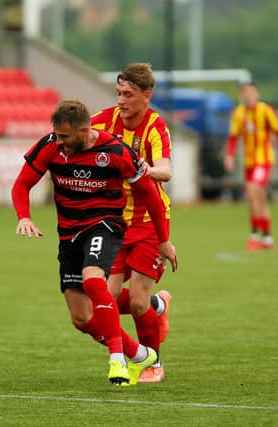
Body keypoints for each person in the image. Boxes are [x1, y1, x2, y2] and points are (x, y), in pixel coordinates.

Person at [12, 99, 178, 386]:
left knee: (94, 281)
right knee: (82, 317)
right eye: (57, 135)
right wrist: (23, 216)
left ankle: (117, 360)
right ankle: (141, 354)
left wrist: (164, 240)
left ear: (84, 130)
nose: (59, 142)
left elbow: (150, 193)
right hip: (69, 234)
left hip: (106, 225)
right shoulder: (51, 145)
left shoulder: (114, 151)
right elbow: (22, 184)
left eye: (65, 137)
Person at [90, 62, 172, 383]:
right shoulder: (106, 120)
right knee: (103, 304)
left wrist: (147, 171)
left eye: (128, 94)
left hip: (151, 222)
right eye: (118, 93)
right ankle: (158, 305)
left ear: (146, 95)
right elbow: (77, 132)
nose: (121, 101)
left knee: (136, 303)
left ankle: (152, 363)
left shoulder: (155, 126)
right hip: (114, 224)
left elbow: (165, 168)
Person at [224, 82, 278, 250]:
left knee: (253, 191)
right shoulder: (239, 113)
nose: (247, 96)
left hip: (263, 161)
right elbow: (233, 137)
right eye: (244, 93)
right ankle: (266, 238)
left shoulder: (265, 110)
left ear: (257, 94)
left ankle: (254, 236)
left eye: (250, 92)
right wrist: (229, 156)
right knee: (256, 198)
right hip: (249, 162)